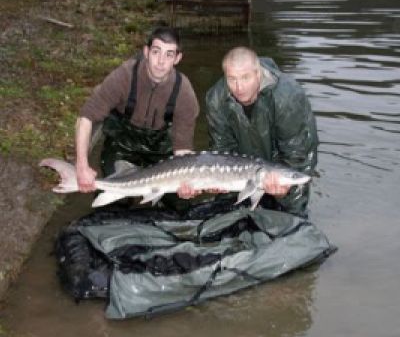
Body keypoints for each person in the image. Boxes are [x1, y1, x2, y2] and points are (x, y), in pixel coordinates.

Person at [185, 46, 318, 218]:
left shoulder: (288, 97)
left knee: (292, 218)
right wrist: (215, 182)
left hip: (281, 160)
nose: (239, 87)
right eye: (232, 79)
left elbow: (297, 156)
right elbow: (222, 150)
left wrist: (286, 194)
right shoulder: (216, 98)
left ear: (258, 73)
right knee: (228, 212)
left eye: (245, 77)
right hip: (244, 168)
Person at [75, 26, 199, 194]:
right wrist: (82, 165)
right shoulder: (125, 76)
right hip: (122, 148)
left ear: (177, 58)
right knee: (118, 198)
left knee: (178, 204)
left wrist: (186, 183)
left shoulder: (184, 92)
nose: (161, 61)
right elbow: (86, 116)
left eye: (169, 54)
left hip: (160, 154)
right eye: (156, 52)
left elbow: (182, 148)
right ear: (146, 52)